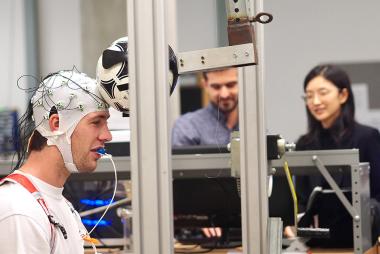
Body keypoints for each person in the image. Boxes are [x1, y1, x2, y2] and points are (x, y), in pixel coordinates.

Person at [0, 70, 112, 253]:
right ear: (56, 124)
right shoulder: (20, 210)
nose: (107, 136)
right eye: (96, 122)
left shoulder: (59, 203)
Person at [294, 64, 380, 246]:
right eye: (309, 96)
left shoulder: (367, 137)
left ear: (343, 95)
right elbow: (300, 200)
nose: (315, 102)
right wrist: (293, 222)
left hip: (359, 242)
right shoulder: (304, 144)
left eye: (323, 92)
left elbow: (378, 195)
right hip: (315, 244)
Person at [172, 67, 238, 146]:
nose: (224, 94)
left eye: (231, 85)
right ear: (205, 85)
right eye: (216, 87)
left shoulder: (254, 123)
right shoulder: (187, 127)